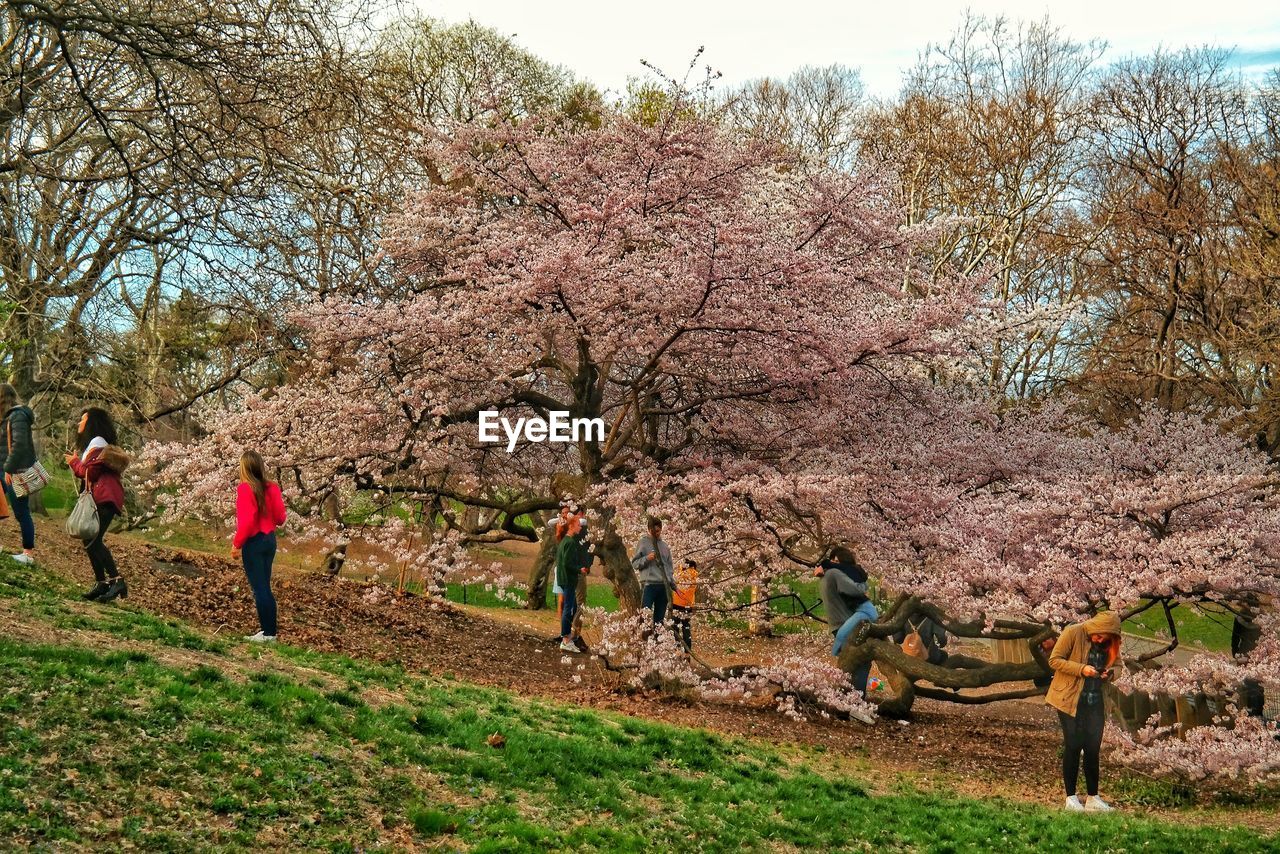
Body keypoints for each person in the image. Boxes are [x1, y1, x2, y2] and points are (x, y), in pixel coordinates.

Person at [1047, 611, 1122, 812]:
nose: (1099, 640)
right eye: (1098, 636)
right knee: (1073, 744)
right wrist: (1082, 669)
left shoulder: (1110, 644)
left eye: (1104, 638)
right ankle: (1071, 798)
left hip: (1095, 700)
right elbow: (1054, 660)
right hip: (1069, 699)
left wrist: (1110, 674)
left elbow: (1119, 666)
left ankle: (1092, 797)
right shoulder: (1074, 632)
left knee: (1092, 748)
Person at [65, 407, 128, 602]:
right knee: (90, 540)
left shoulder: (98, 444)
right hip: (103, 496)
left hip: (104, 497)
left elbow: (90, 473)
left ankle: (117, 581)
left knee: (94, 540)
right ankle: (102, 583)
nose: (79, 424)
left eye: (82, 420)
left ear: (91, 423)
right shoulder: (97, 445)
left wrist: (74, 462)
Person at [232, 450, 287, 643]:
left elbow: (247, 521)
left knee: (260, 588)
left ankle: (269, 633)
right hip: (269, 540)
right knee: (265, 586)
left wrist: (236, 544)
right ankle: (267, 631)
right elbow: (281, 518)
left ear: (245, 468)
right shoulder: (272, 487)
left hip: (253, 542)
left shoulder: (246, 489)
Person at [815, 546, 878, 693]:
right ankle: (856, 699)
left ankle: (848, 697)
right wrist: (864, 585)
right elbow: (857, 590)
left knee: (855, 662)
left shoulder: (827, 575)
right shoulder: (834, 573)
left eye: (839, 562)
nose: (837, 565)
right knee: (861, 662)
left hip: (839, 625)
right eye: (835, 561)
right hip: (845, 626)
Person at [1, 384, 37, 564]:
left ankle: (28, 554)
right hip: (5, 470)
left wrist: (8, 468)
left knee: (21, 512)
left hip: (14, 471)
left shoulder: (18, 416)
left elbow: (19, 445)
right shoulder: (8, 417)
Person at [555, 515, 591, 653]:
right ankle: (566, 639)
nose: (580, 527)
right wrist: (579, 569)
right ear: (571, 526)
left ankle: (568, 638)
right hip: (568, 579)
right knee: (569, 609)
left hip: (564, 579)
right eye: (577, 525)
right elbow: (566, 563)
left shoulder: (564, 541)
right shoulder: (569, 542)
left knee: (573, 606)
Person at [631, 516, 673, 624]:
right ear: (649, 530)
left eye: (658, 531)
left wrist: (672, 585)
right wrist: (647, 558)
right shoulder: (643, 543)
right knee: (645, 616)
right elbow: (635, 564)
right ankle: (644, 638)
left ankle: (658, 639)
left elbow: (669, 568)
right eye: (653, 531)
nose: (655, 533)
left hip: (663, 585)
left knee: (659, 619)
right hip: (648, 585)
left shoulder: (665, 546)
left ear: (661, 529)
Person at [671, 559, 698, 652]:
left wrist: (679, 568)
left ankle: (677, 649)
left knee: (675, 627)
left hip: (677, 603)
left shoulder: (680, 574)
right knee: (686, 628)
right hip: (688, 604)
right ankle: (687, 652)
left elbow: (674, 578)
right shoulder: (695, 574)